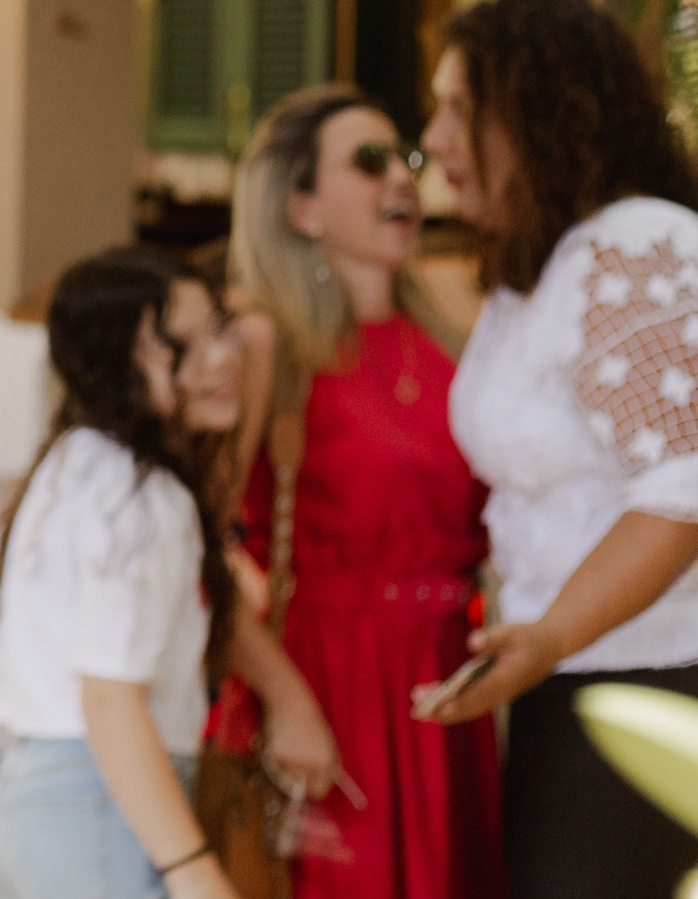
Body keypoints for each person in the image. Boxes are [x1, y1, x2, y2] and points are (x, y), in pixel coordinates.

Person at [417, 0, 698, 899]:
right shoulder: (554, 258)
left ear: (537, 115)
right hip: (588, 667)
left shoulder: (629, 247)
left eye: (457, 110)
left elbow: (692, 483)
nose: (435, 140)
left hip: (666, 676)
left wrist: (551, 634)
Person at [216, 85, 501, 899]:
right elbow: (199, 546)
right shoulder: (269, 344)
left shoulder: (453, 342)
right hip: (335, 680)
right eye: (368, 162)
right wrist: (286, 697)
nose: (403, 180)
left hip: (450, 678)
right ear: (302, 207)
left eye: (408, 159)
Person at [0, 249, 241, 899]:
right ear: (115, 364)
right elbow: (110, 701)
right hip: (95, 811)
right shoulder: (141, 499)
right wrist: (195, 869)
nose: (221, 356)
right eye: (181, 343)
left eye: (218, 329)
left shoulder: (69, 462)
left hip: (21, 809)